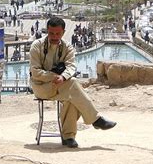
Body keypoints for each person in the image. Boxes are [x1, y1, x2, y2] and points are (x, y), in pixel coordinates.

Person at [29, 17, 116, 148]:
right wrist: (54, 77)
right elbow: (35, 71)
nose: (54, 36)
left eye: (58, 33)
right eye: (51, 33)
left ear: (63, 32)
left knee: (72, 97)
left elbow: (71, 67)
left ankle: (68, 137)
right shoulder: (37, 46)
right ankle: (95, 119)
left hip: (61, 86)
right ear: (47, 31)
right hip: (41, 87)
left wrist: (63, 77)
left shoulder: (67, 47)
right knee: (73, 84)